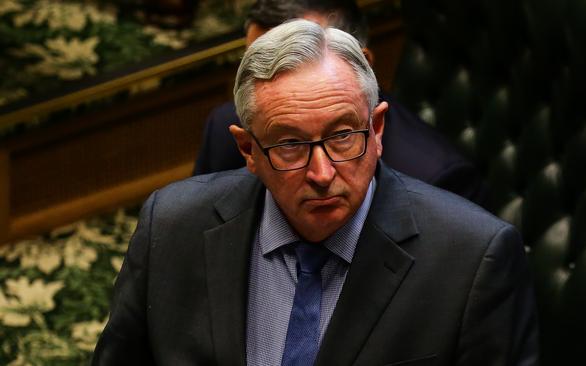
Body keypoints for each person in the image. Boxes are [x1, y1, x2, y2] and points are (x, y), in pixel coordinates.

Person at [92, 20, 537, 366]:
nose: (322, 173)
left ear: (377, 129)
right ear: (248, 149)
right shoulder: (171, 225)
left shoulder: (474, 259)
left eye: (343, 136)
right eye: (289, 145)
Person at [193, 0, 487, 205]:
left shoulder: (437, 180)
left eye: (305, 61)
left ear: (365, 63)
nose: (321, 174)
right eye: (262, 69)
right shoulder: (227, 126)